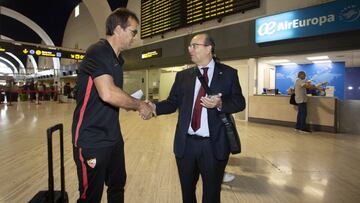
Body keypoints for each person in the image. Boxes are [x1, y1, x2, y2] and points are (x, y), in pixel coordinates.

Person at [148, 33, 246, 203]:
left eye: (194, 45)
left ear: (209, 48)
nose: (189, 49)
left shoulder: (228, 73)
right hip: (185, 145)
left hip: (214, 146)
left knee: (211, 195)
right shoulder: (183, 76)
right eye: (189, 46)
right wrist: (154, 107)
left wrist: (220, 103)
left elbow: (239, 102)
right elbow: (172, 103)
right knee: (187, 193)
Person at [71, 8, 153, 203]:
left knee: (117, 187)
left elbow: (115, 96)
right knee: (90, 196)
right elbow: (108, 94)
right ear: (118, 29)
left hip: (113, 138)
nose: (135, 37)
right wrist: (139, 105)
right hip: (91, 139)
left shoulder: (118, 59)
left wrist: (132, 102)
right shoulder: (98, 51)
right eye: (133, 31)